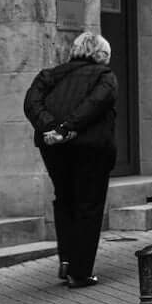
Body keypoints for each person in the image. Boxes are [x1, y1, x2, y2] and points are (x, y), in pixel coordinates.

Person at [23, 30, 118, 287]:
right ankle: (80, 271)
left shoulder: (50, 76)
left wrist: (51, 128)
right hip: (90, 148)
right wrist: (65, 128)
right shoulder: (104, 76)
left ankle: (66, 259)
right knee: (89, 204)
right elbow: (96, 103)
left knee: (65, 198)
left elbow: (32, 102)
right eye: (107, 55)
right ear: (100, 55)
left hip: (54, 147)